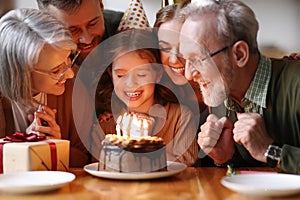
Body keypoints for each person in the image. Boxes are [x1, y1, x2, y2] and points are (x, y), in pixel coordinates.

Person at [179, 0, 300, 174]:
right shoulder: (221, 92)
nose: (188, 74)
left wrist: (270, 151)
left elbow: (266, 156)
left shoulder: (296, 84)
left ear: (239, 54)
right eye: (186, 60)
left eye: (198, 59)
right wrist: (227, 157)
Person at [0, 8, 90, 167]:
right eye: (56, 70)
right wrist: (24, 146)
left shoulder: (74, 89)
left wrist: (57, 146)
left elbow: (86, 158)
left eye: (69, 59)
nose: (69, 74)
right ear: (21, 72)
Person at [99, 29, 199, 166]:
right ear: (111, 74)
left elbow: (188, 168)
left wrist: (144, 143)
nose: (130, 84)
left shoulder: (180, 117)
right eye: (121, 75)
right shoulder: (105, 125)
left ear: (157, 74)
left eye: (141, 75)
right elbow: (101, 169)